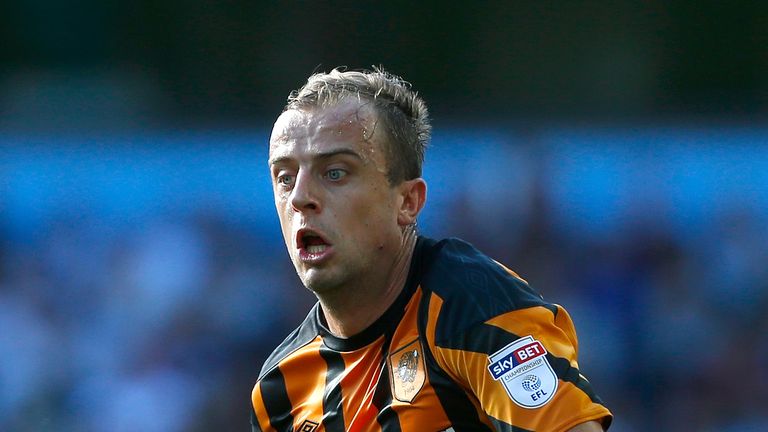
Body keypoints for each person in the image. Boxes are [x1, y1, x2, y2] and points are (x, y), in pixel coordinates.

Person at [251, 67, 612, 432]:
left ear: (407, 201)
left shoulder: (472, 307)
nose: (299, 197)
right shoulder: (279, 390)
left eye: (335, 173)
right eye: (285, 177)